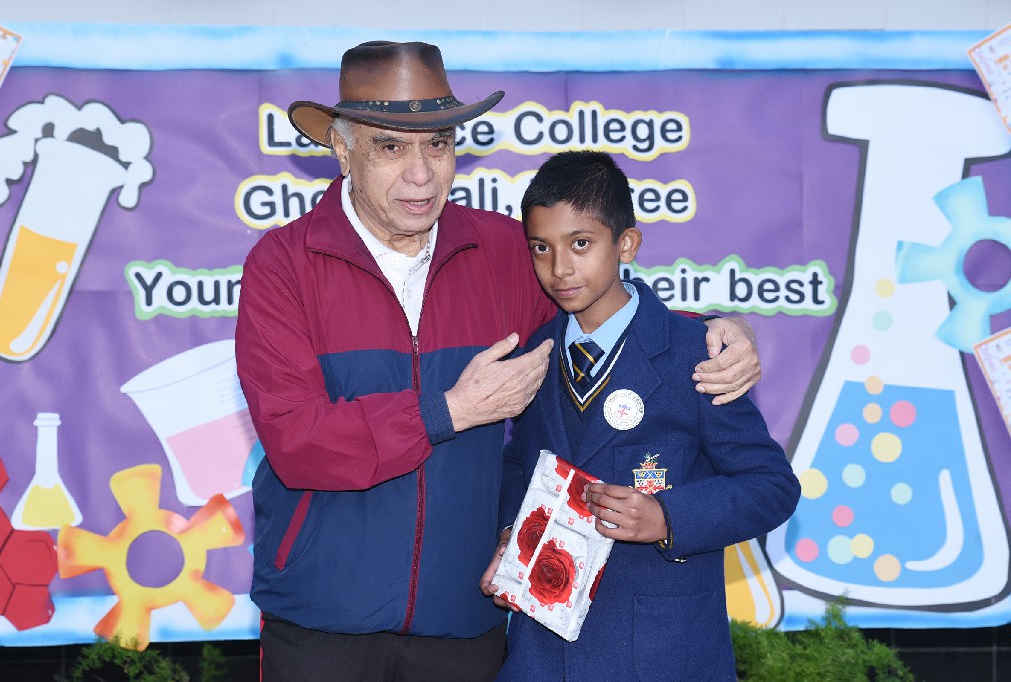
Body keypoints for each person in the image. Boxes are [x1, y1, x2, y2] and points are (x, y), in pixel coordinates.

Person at [235, 41, 763, 682]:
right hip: (319, 624)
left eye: (438, 144)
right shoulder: (282, 266)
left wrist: (711, 329)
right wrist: (448, 410)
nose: (421, 174)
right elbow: (295, 441)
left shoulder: (503, 250)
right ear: (343, 152)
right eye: (391, 147)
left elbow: (605, 310)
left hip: (467, 620)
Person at [480, 151, 800, 681]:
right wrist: (513, 534)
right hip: (542, 653)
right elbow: (521, 465)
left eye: (581, 244)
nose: (560, 268)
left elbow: (772, 486)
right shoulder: (533, 354)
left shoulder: (694, 352)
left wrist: (666, 518)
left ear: (626, 244)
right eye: (541, 248)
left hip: (660, 652)